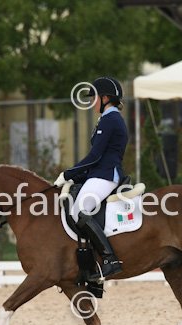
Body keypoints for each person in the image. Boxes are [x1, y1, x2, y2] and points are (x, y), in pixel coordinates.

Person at [54, 77, 127, 280]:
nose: (91, 102)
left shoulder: (111, 120)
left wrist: (68, 174)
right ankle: (87, 265)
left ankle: (110, 259)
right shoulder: (107, 119)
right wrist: (77, 177)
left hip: (106, 175)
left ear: (105, 98)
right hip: (99, 173)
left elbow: (95, 157)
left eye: (94, 98)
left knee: (80, 211)